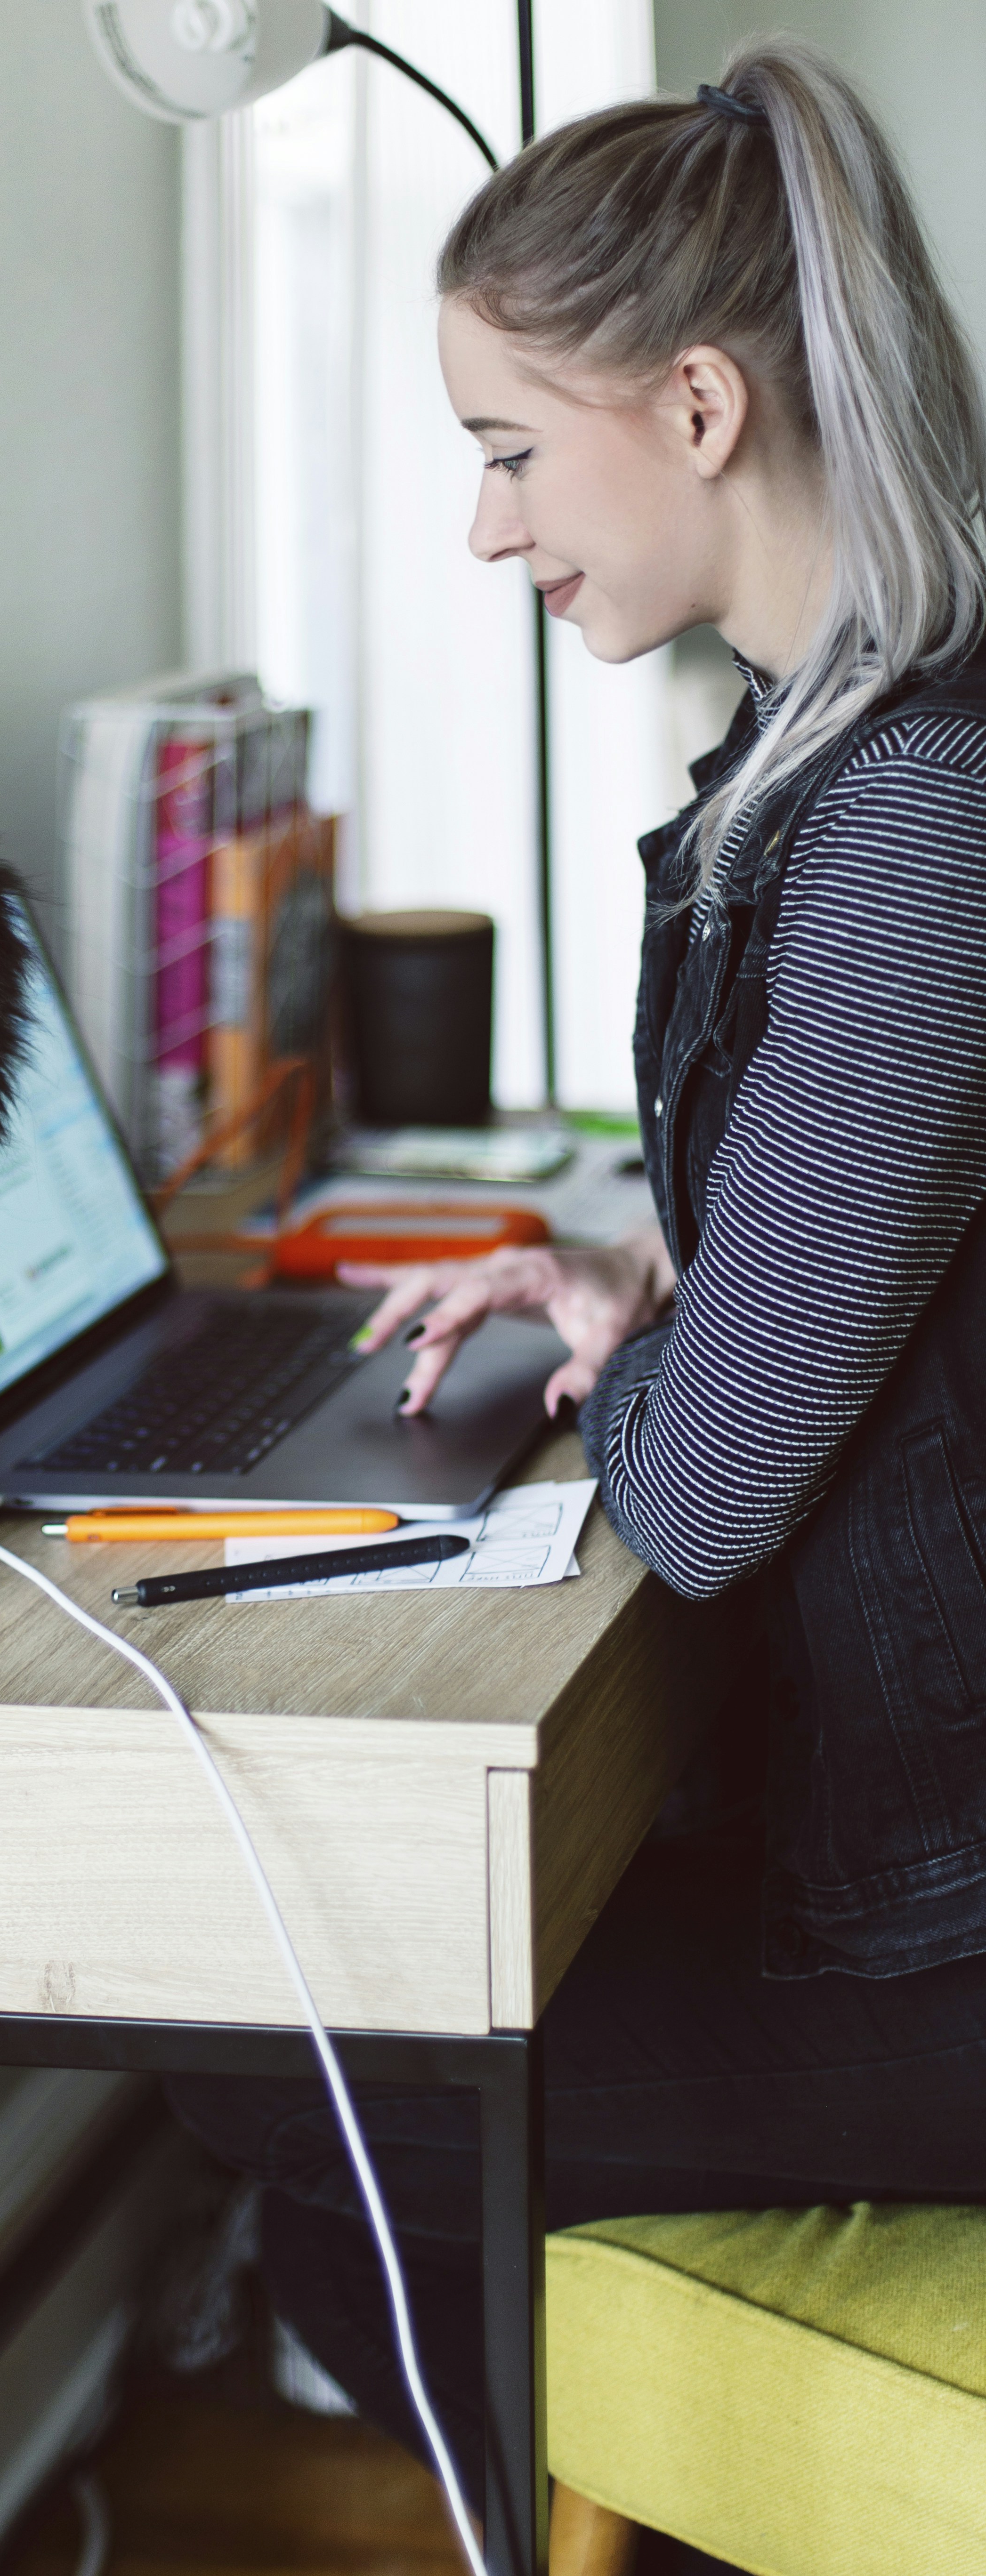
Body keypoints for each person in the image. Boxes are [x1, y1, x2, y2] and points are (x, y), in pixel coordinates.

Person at [170, 37, 986, 2576]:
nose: (484, 527)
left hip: (955, 1932)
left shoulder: (918, 819)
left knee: (283, 2077)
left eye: (515, 446)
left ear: (704, 402)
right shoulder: (819, 757)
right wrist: (650, 1271)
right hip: (915, 1846)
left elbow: (723, 1497)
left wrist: (644, 1358)